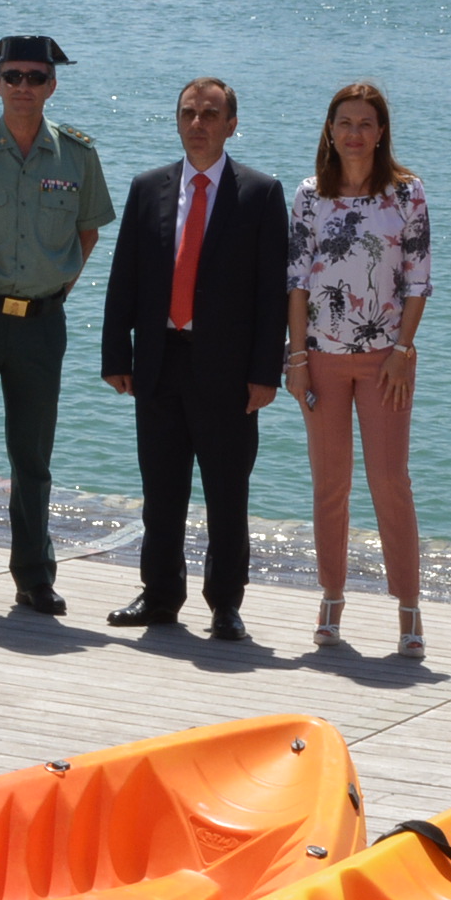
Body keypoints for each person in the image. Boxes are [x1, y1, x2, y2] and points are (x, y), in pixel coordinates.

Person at [0, 35, 113, 617]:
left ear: (52, 84)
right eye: (12, 77)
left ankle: (34, 575)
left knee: (32, 455)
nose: (24, 87)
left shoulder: (77, 156)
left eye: (35, 76)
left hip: (40, 325)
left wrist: (56, 290)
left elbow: (88, 231)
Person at [100, 77, 287, 642]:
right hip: (159, 362)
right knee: (162, 491)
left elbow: (271, 295)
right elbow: (125, 277)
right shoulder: (147, 187)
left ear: (232, 124)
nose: (198, 123)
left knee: (228, 495)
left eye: (211, 114)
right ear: (177, 121)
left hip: (228, 372)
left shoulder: (259, 192)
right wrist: (116, 354)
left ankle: (225, 604)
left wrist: (265, 373)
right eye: (189, 113)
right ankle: (160, 595)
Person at [285, 81, 430, 657]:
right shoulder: (308, 195)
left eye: (365, 123)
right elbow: (295, 281)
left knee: (390, 483)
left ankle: (410, 608)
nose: (354, 133)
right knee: (330, 485)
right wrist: (295, 358)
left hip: (385, 360)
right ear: (330, 130)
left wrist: (402, 349)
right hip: (320, 357)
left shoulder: (406, 193)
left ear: (381, 132)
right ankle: (331, 598)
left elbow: (418, 281)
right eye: (345, 122)